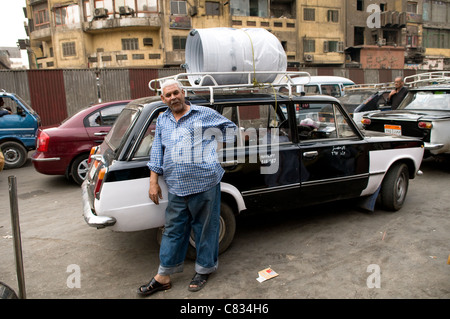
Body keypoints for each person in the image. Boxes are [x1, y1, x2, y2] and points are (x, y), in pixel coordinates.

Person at [137, 79, 237, 296]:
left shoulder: (203, 113)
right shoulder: (163, 120)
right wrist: (153, 181)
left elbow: (232, 129)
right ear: (163, 99)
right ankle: (163, 275)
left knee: (205, 229)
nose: (173, 97)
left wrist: (211, 149)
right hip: (175, 185)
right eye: (168, 95)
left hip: (205, 182)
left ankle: (204, 270)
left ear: (183, 93)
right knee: (173, 230)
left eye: (176, 93)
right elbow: (157, 151)